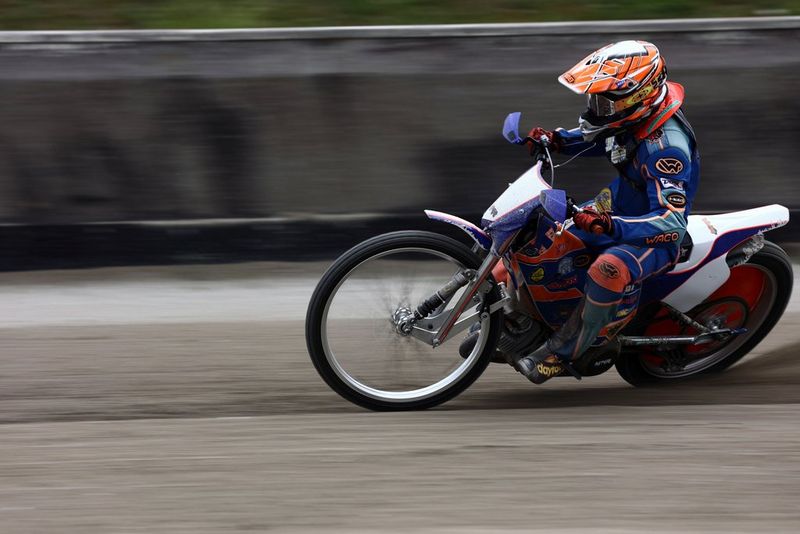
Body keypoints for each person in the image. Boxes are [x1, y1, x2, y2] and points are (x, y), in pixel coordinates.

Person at [514, 40, 700, 384]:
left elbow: (672, 223)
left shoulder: (666, 149)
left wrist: (608, 225)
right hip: (616, 207)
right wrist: (556, 140)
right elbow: (603, 137)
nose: (595, 107)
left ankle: (567, 351)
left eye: (603, 101)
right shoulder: (632, 118)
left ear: (637, 96)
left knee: (607, 269)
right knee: (542, 233)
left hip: (651, 234)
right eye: (593, 99)